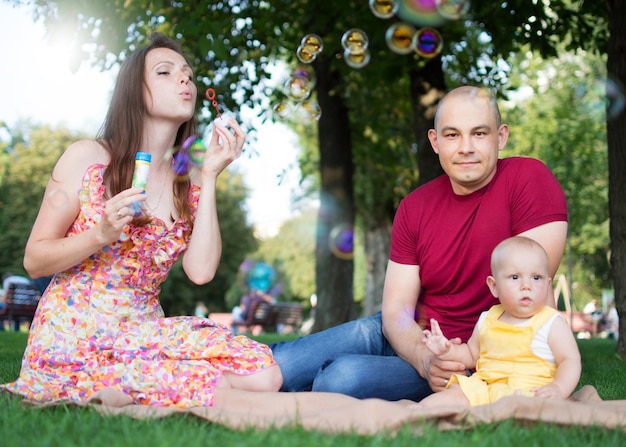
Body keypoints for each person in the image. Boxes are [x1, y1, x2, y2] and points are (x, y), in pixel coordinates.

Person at [0, 33, 282, 407]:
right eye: (165, 72)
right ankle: (112, 382)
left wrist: (211, 175)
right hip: (75, 335)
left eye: (188, 75)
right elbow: (34, 260)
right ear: (136, 93)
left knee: (264, 375)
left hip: (141, 332)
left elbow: (200, 272)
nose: (185, 80)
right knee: (216, 388)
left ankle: (161, 383)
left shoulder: (191, 181)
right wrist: (99, 233)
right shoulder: (87, 157)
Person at [270, 85, 568, 402]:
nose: (466, 147)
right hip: (410, 335)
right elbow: (397, 310)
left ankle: (316, 385)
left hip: (477, 358)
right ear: (435, 141)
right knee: (283, 362)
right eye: (452, 135)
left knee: (341, 379)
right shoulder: (415, 206)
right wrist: (421, 356)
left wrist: (446, 360)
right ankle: (223, 371)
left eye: (479, 134)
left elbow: (532, 302)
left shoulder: (528, 179)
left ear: (501, 137)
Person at [416, 236, 581, 407]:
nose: (526, 285)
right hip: (485, 389)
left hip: (530, 390)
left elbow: (569, 360)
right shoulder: (488, 318)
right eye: (515, 277)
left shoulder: (551, 322)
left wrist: (559, 388)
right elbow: (472, 355)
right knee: (456, 393)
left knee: (528, 407)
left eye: (536, 278)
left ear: (548, 285)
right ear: (494, 287)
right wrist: (447, 351)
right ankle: (415, 413)